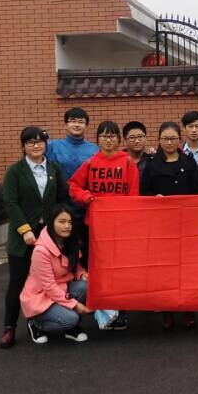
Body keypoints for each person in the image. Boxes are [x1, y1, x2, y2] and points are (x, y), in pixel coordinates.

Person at [0, 126, 68, 349]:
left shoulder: (54, 168)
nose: (36, 145)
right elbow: (11, 202)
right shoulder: (15, 171)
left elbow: (62, 199)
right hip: (22, 238)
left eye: (39, 142)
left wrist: (60, 226)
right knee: (17, 282)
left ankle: (39, 322)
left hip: (48, 236)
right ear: (23, 146)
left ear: (45, 145)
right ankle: (9, 327)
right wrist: (25, 229)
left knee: (47, 281)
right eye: (30, 142)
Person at [68, 121, 139, 331]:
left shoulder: (128, 163)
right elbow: (73, 185)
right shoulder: (91, 162)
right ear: (98, 139)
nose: (108, 140)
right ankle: (103, 310)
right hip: (95, 227)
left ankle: (121, 311)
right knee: (97, 270)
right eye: (104, 136)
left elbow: (134, 196)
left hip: (120, 228)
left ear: (119, 139)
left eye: (112, 136)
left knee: (120, 271)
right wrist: (86, 197)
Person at [140, 121, 198, 330]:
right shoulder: (151, 165)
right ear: (159, 140)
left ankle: (189, 310)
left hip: (187, 225)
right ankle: (167, 310)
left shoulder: (189, 162)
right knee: (165, 270)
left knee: (187, 269)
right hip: (162, 226)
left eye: (173, 139)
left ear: (179, 140)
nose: (169, 142)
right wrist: (154, 198)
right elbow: (143, 192)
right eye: (165, 139)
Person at [20, 204, 91, 344]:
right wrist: (75, 305)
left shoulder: (70, 242)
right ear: (51, 222)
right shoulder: (40, 251)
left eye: (70, 222)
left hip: (61, 288)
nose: (67, 226)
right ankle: (35, 323)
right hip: (40, 296)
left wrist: (82, 275)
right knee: (71, 318)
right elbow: (49, 286)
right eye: (62, 222)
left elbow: (76, 267)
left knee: (85, 286)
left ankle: (70, 329)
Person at [45, 107, 98, 271]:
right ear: (65, 124)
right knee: (62, 248)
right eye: (73, 121)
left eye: (81, 121)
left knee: (87, 248)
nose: (77, 124)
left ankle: (84, 278)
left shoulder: (94, 150)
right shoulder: (53, 147)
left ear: (86, 125)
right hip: (61, 206)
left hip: (85, 206)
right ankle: (63, 279)